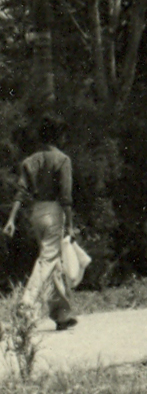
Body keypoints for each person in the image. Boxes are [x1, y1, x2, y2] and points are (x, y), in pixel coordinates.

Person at [5, 116, 79, 331]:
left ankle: (61, 314)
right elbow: (66, 197)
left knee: (52, 262)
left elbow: (21, 192)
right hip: (54, 212)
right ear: (58, 136)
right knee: (47, 259)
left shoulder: (30, 161)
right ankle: (26, 303)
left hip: (36, 213)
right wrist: (70, 225)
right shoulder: (63, 160)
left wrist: (11, 220)